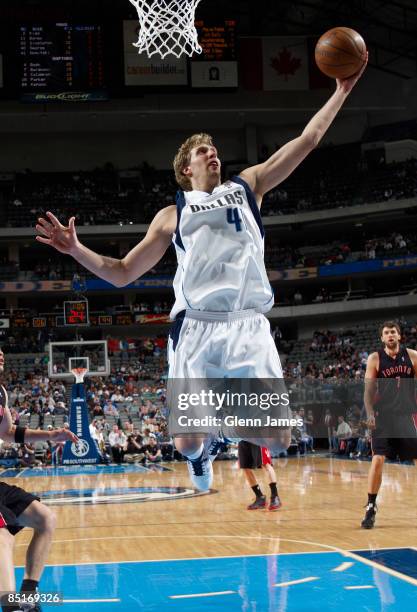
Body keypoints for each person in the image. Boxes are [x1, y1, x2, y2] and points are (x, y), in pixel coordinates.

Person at [35, 58, 367, 491]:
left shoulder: (248, 188)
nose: (213, 152)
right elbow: (120, 274)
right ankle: (205, 446)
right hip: (198, 329)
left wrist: (340, 91)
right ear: (186, 169)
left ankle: (225, 431)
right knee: (188, 442)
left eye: (214, 148)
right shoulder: (172, 214)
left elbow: (308, 139)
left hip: (248, 326)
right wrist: (75, 248)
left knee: (280, 439)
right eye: (201, 150)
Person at [0, 348, 77, 612]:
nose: (0, 354)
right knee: (3, 536)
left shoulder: (0, 393)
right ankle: (11, 607)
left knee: (46, 519)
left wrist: (51, 434)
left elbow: (9, 432)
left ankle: (28, 597)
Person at [361, 321, 417, 529]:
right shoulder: (375, 358)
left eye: (393, 332)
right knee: (377, 460)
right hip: (382, 416)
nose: (390, 335)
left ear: (399, 336)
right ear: (382, 338)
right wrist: (369, 414)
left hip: (406, 416)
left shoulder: (412, 356)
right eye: (386, 333)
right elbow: (368, 391)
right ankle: (371, 506)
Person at [238, 441, 281, 511]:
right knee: (245, 467)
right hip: (242, 436)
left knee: (265, 463)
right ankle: (260, 497)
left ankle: (275, 497)